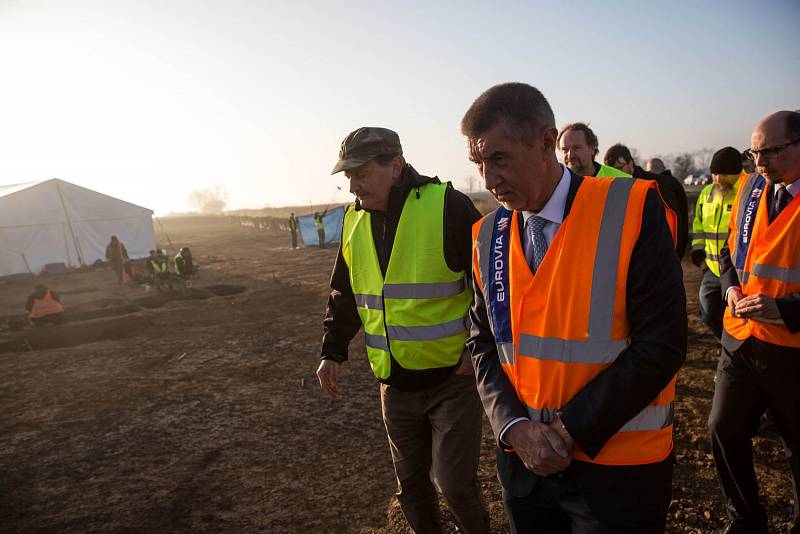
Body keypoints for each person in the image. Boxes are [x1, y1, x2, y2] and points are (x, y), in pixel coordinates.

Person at [462, 82, 686, 533]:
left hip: (618, 473)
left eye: (499, 159)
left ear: (547, 143)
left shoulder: (633, 209)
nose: (487, 180)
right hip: (525, 474)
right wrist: (514, 429)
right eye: (478, 163)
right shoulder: (487, 236)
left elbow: (661, 345)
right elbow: (482, 343)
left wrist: (566, 432)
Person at [317, 127, 489, 534]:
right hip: (393, 385)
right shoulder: (353, 220)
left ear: (395, 165)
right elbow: (345, 291)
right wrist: (332, 350)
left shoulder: (447, 205)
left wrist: (479, 347)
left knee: (455, 486)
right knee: (411, 487)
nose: (354, 186)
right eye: (348, 178)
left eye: (361, 174)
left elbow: (492, 282)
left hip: (453, 378)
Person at [710, 110, 800, 534]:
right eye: (755, 152)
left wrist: (785, 309)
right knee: (723, 430)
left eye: (772, 152)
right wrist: (730, 289)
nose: (760, 162)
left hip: (790, 349)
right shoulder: (749, 188)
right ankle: (746, 521)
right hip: (739, 339)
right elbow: (728, 251)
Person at [689, 147, 743, 339]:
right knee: (708, 312)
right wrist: (699, 256)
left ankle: (736, 348)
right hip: (711, 269)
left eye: (723, 175)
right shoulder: (706, 193)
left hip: (739, 271)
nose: (717, 179)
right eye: (714, 174)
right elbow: (699, 225)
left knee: (740, 315)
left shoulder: (746, 192)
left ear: (736, 173)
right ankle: (728, 342)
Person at [604, 143, 690, 258]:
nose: (616, 174)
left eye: (620, 168)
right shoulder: (614, 189)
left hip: (660, 258)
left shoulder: (658, 184)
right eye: (611, 171)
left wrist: (675, 257)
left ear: (631, 164)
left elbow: (679, 221)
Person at [557, 122, 628, 178]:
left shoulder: (621, 181)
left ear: (592, 149)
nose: (570, 155)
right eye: (565, 150)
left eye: (576, 148)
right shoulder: (553, 184)